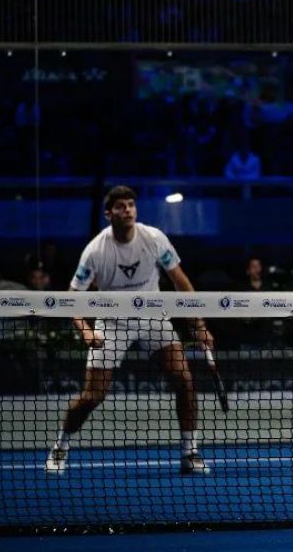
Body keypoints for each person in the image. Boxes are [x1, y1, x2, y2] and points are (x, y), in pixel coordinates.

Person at [45, 186, 214, 475]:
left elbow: (181, 282)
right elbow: (72, 297)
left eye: (132, 205)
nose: (128, 210)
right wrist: (84, 330)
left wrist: (198, 325)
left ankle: (190, 452)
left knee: (184, 380)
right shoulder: (96, 251)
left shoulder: (154, 238)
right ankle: (60, 446)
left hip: (152, 317)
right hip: (112, 323)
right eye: (121, 206)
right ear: (109, 214)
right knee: (92, 396)